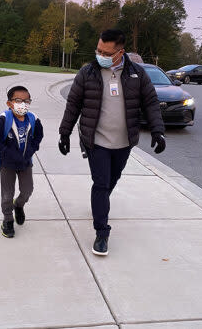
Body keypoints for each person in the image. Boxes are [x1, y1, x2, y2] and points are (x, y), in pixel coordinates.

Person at [58, 29, 165, 256]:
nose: (100, 55)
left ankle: (100, 205)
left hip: (124, 142)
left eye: (106, 52)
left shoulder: (137, 74)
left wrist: (158, 131)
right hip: (96, 141)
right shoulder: (88, 73)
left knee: (111, 181)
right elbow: (73, 105)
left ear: (120, 53)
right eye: (98, 50)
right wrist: (64, 133)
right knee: (101, 183)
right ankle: (102, 232)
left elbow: (151, 103)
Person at [0, 85, 44, 238]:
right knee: (7, 194)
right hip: (8, 164)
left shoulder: (33, 119)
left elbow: (39, 136)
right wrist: (7, 153)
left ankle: (18, 205)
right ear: (9, 103)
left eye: (26, 101)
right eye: (18, 100)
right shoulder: (3, 120)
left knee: (27, 191)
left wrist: (32, 149)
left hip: (26, 163)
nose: (23, 104)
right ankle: (7, 220)